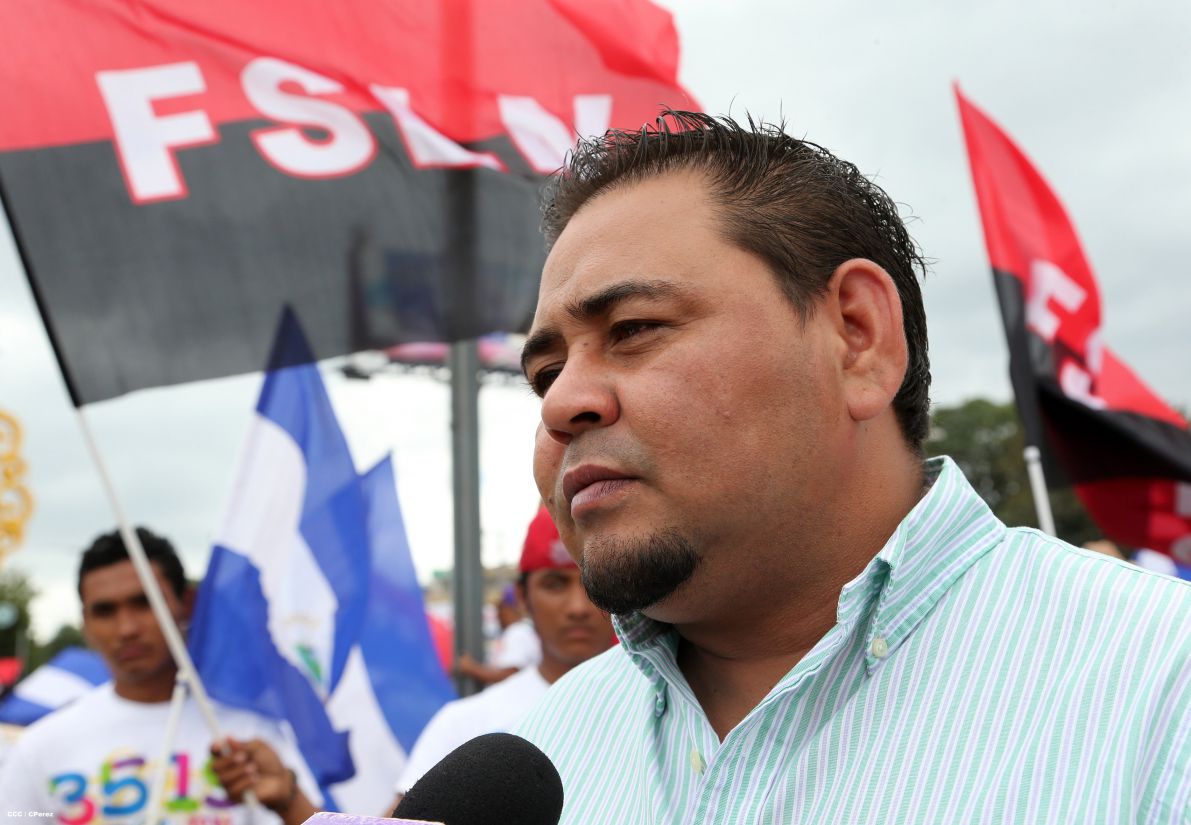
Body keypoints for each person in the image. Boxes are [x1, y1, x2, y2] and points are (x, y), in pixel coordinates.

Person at [515, 111, 1191, 823]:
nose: (560, 404)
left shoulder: (1161, 689)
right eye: (545, 374)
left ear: (857, 338)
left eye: (633, 329)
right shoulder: (545, 752)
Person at [0, 527, 318, 824]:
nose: (126, 629)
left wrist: (288, 801)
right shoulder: (41, 748)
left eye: (145, 602)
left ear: (187, 604)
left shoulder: (251, 735)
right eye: (105, 611)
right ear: (85, 622)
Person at [395, 504, 613, 795]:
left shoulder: (666, 707)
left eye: (594, 582)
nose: (578, 607)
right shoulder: (464, 723)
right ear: (523, 597)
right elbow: (398, 814)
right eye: (555, 584)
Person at [453, 583, 541, 686]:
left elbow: (509, 675)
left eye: (499, 608)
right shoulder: (519, 630)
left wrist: (471, 668)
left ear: (510, 609)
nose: (497, 615)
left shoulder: (518, 632)